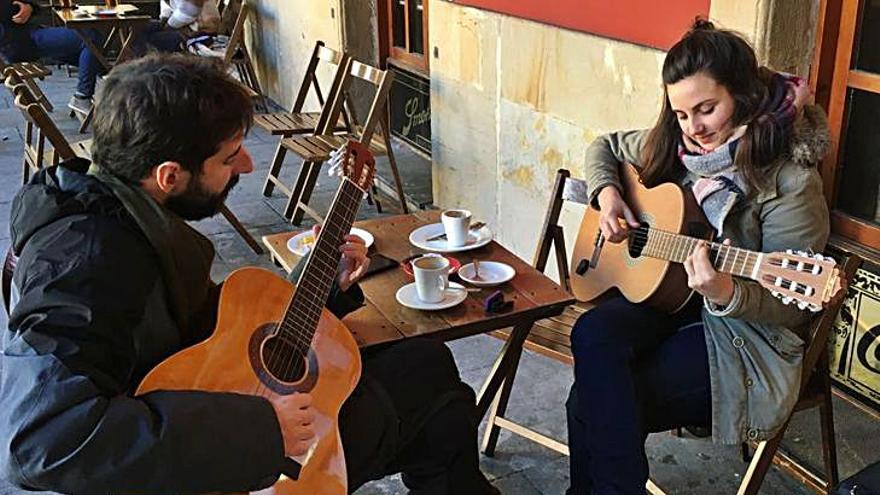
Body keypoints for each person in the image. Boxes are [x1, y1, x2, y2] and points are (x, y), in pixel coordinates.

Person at [0, 53, 497, 495]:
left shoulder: (122, 209)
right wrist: (261, 431)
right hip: (222, 453)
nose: (246, 163)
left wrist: (319, 280)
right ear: (169, 175)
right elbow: (41, 440)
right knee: (431, 383)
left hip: (211, 412)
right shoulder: (84, 263)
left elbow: (213, 329)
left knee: (419, 364)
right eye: (227, 155)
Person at [566, 20, 830, 494]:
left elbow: (791, 307)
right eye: (682, 114)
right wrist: (608, 195)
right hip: (671, 299)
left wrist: (727, 291)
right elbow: (603, 145)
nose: (694, 129)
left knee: (591, 399)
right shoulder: (676, 141)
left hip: (742, 335)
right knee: (592, 334)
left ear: (744, 95)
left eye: (707, 109)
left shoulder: (792, 182)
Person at [0, 0, 101, 113]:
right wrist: (25, 8)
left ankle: (108, 77)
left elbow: (33, 6)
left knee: (92, 54)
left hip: (30, 34)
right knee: (89, 37)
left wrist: (30, 7)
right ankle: (83, 96)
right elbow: (9, 10)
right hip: (21, 42)